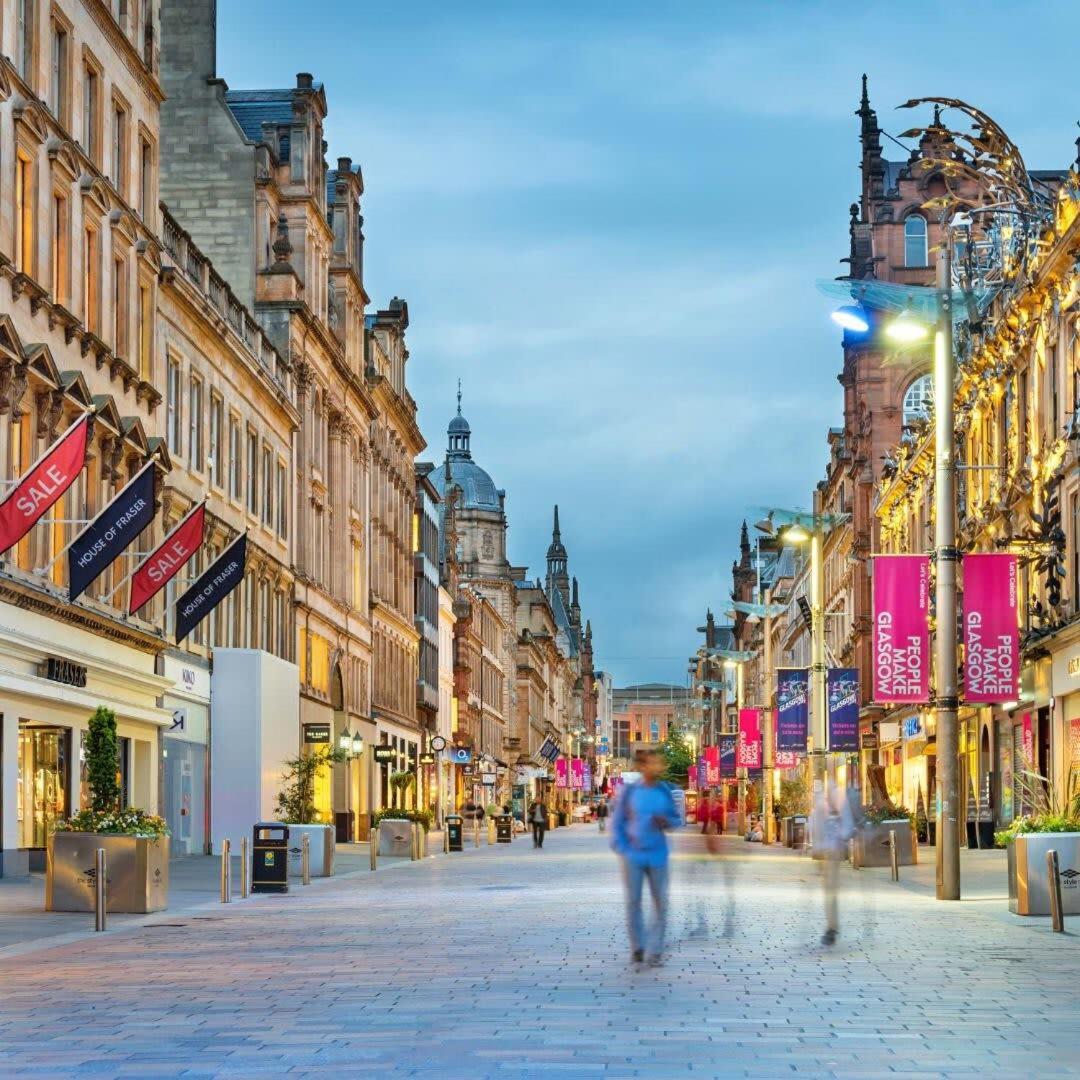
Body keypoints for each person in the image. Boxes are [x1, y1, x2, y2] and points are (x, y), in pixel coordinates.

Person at [611, 748, 680, 965]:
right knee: (634, 902)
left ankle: (656, 948)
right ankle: (638, 947)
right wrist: (623, 846)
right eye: (650, 763)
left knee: (661, 902)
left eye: (657, 762)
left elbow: (677, 820)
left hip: (658, 854)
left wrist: (667, 822)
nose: (654, 766)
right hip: (633, 855)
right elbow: (618, 822)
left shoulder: (665, 791)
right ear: (641, 766)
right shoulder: (630, 792)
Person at [811, 780, 856, 946]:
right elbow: (816, 830)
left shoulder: (841, 805)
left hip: (834, 855)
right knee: (829, 892)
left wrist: (841, 836)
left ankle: (832, 927)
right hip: (825, 855)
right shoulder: (821, 807)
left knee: (831, 892)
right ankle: (832, 926)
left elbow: (848, 828)